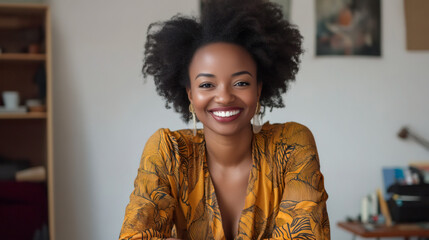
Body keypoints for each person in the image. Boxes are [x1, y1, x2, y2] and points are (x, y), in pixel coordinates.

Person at [119, 0, 330, 239]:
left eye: (241, 83)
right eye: (207, 84)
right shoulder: (168, 152)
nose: (224, 97)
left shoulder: (292, 147)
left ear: (258, 89)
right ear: (190, 93)